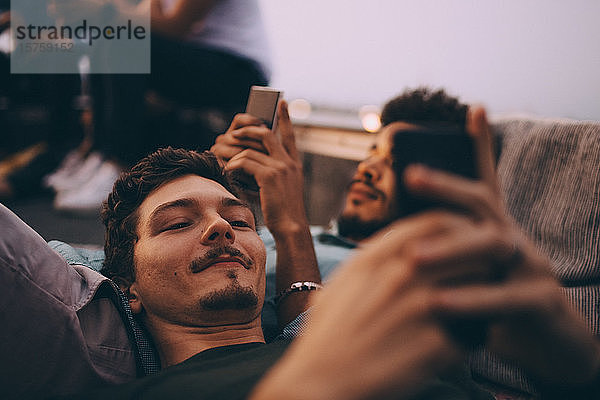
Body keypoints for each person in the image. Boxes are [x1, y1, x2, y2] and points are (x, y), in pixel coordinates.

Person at [1, 148, 493, 400]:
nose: (221, 229)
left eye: (240, 221)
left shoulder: (367, 340)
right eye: (177, 223)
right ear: (127, 287)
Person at [211, 87, 600, 397]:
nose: (368, 167)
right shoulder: (294, 233)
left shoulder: (408, 266)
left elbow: (320, 347)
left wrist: (290, 224)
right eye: (370, 153)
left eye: (396, 161)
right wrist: (212, 182)